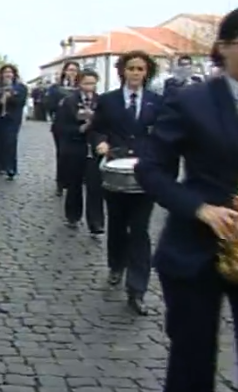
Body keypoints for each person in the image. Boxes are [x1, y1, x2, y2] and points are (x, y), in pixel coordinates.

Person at [134, 8, 238, 391]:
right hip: (195, 252)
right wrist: (201, 209)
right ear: (223, 47)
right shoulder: (191, 101)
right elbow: (151, 170)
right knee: (191, 368)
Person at [88, 50, 162, 316]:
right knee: (117, 224)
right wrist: (100, 142)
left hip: (145, 173)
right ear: (123, 71)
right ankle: (116, 265)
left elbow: (165, 134)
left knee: (140, 230)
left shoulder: (157, 102)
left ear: (146, 72)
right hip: (115, 171)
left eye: (140, 69)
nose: (135, 73)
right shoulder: (108, 101)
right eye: (131, 68)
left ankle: (137, 289)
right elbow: (95, 128)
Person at [55, 69, 104, 235]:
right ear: (79, 83)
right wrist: (79, 129)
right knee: (75, 183)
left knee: (95, 186)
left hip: (95, 147)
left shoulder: (101, 101)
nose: (89, 87)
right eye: (86, 83)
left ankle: (96, 222)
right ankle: (73, 215)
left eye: (92, 83)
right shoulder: (68, 101)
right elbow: (59, 127)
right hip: (75, 146)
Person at [47, 61, 80, 196]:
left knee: (77, 154)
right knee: (62, 154)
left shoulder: (82, 87)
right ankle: (60, 182)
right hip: (61, 125)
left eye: (75, 70)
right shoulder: (56, 88)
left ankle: (75, 180)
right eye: (70, 70)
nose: (72, 73)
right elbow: (49, 105)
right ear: (65, 72)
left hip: (78, 125)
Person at [0, 64, 27, 180]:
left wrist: (11, 96)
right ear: (1, 74)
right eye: (5, 72)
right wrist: (1, 99)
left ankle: (11, 168)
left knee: (10, 141)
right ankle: (0, 165)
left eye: (10, 72)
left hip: (13, 118)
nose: (8, 74)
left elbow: (21, 102)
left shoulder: (21, 87)